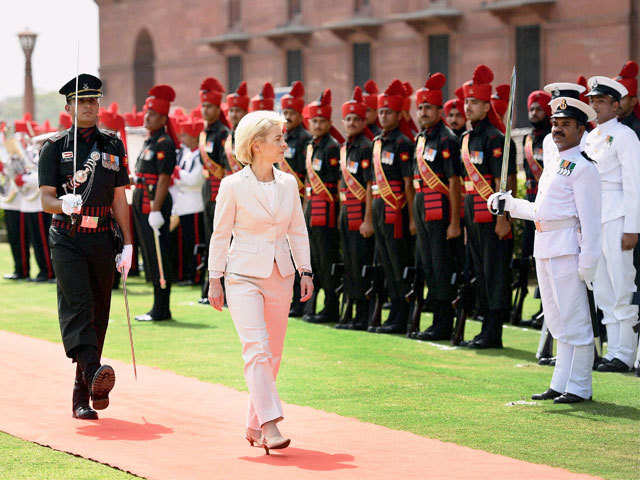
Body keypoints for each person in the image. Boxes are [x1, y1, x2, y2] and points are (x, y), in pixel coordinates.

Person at [207, 110, 313, 453]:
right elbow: (220, 235)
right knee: (256, 350)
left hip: (280, 275)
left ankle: (254, 422)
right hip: (241, 276)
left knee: (274, 354)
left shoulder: (288, 183)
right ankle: (270, 425)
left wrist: (305, 271)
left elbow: (297, 229)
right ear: (256, 145)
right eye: (278, 139)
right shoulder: (232, 185)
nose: (285, 143)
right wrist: (215, 278)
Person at [488, 95, 601, 403]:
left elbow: (591, 221)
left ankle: (579, 386)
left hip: (568, 248)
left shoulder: (584, 167)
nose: (558, 130)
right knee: (555, 317)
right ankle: (560, 381)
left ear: (581, 129)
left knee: (575, 318)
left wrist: (589, 262)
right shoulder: (555, 163)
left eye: (566, 124)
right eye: (555, 124)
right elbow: (541, 210)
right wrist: (509, 204)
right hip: (546, 244)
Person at [38, 73, 132, 419]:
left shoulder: (113, 145)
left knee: (99, 314)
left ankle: (86, 388)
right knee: (78, 306)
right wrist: (63, 204)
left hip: (101, 236)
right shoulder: (54, 146)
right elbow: (46, 198)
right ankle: (91, 377)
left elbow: (120, 197)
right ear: (69, 107)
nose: (89, 107)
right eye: (81, 101)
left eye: (93, 100)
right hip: (67, 235)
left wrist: (129, 243)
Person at [584, 76, 640, 373]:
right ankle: (613, 352)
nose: (595, 105)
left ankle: (625, 354)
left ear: (617, 106)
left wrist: (633, 226)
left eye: (601, 101)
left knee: (621, 285)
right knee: (603, 287)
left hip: (618, 214)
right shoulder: (591, 137)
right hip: (596, 215)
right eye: (592, 100)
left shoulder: (625, 135)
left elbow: (634, 184)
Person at [459, 65, 516, 348]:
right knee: (480, 272)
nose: (469, 107)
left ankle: (494, 332)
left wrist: (503, 218)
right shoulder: (466, 139)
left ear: (486, 106)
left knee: (494, 273)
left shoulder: (496, 139)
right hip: (472, 212)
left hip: (492, 214)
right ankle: (484, 328)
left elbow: (506, 182)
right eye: (467, 102)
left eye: (475, 103)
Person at [410, 73, 463, 340]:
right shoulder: (421, 139)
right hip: (422, 208)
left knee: (441, 267)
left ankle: (443, 323)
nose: (423, 112)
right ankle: (435, 320)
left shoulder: (447, 139)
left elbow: (454, 182)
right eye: (420, 107)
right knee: (428, 266)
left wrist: (455, 222)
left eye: (428, 107)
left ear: (439, 110)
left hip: (440, 210)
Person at [369, 79, 415, 334]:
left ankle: (402, 313)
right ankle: (394, 311)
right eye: (381, 111)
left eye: (388, 112)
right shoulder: (377, 143)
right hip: (379, 209)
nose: (384, 116)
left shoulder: (403, 143)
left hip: (396, 210)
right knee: (386, 262)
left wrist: (409, 219)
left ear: (399, 115)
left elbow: (408, 184)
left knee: (398, 263)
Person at [132, 85, 178, 321]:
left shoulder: (164, 143)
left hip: (153, 203)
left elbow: (163, 179)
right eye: (146, 113)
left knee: (160, 256)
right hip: (142, 201)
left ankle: (162, 308)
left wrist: (156, 209)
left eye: (151, 114)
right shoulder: (149, 141)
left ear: (162, 118)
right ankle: (156, 306)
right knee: (150, 255)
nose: (146, 117)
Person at [334, 86, 374, 330]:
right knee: (349, 264)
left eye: (356, 119)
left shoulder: (367, 147)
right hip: (346, 214)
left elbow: (370, 186)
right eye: (347, 119)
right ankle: (352, 311)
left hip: (361, 216)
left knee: (361, 264)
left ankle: (363, 314)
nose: (351, 123)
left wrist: (368, 219)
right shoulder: (345, 148)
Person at [302, 90, 342, 324]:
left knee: (327, 260)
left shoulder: (331, 147)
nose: (317, 124)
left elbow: (335, 184)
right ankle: (315, 305)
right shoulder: (311, 145)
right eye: (314, 120)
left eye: (321, 121)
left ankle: (331, 307)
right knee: (315, 260)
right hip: (311, 209)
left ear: (329, 122)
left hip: (325, 211)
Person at [279, 81, 311, 318]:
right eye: (285, 112)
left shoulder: (305, 140)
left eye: (291, 113)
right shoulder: (281, 138)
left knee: (301, 254)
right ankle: (292, 299)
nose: (287, 117)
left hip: (301, 201)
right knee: (286, 254)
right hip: (282, 203)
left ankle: (303, 302)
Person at [198, 77, 230, 304]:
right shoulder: (205, 133)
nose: (205, 110)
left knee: (221, 241)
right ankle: (209, 288)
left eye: (209, 106)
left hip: (219, 191)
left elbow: (226, 167)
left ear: (218, 108)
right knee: (210, 240)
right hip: (207, 189)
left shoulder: (223, 133)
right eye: (203, 105)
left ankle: (225, 289)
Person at [170, 117, 206, 286]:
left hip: (195, 204)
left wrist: (177, 174)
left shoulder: (199, 155)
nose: (182, 139)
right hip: (183, 204)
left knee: (196, 244)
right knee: (185, 243)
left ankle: (196, 276)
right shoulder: (186, 153)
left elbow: (194, 180)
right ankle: (186, 274)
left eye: (185, 135)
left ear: (194, 137)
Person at [223, 81, 249, 175]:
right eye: (231, 111)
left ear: (246, 112)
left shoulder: (251, 136)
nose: (234, 115)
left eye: (238, 111)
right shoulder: (228, 136)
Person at [614, 61, 640, 139]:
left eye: (621, 98)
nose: (616, 102)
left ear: (633, 101)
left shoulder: (636, 129)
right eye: (615, 97)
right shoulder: (615, 122)